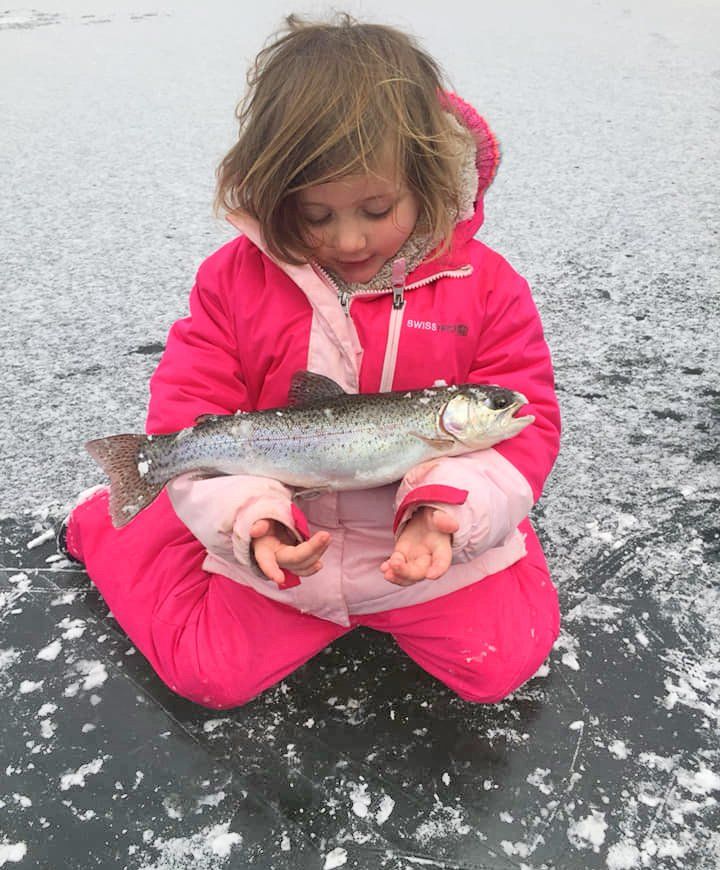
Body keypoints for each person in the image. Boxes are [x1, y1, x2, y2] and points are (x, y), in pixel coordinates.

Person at [61, 14, 561, 710]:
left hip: (424, 546)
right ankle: (108, 523)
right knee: (209, 673)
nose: (349, 237)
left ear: (426, 179)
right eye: (316, 215)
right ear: (276, 195)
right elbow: (187, 410)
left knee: (502, 663)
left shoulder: (488, 287)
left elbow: (526, 427)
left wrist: (452, 512)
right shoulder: (231, 283)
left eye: (376, 207)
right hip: (285, 545)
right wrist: (253, 521)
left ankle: (454, 527)